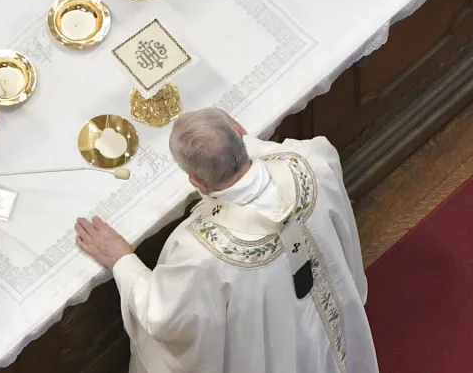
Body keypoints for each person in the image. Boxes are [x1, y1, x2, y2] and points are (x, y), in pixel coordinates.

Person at [74, 107, 378, 373]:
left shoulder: (205, 251)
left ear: (196, 180)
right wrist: (238, 142)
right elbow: (274, 156)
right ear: (239, 135)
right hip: (329, 312)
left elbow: (164, 314)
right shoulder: (310, 161)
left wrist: (122, 260)